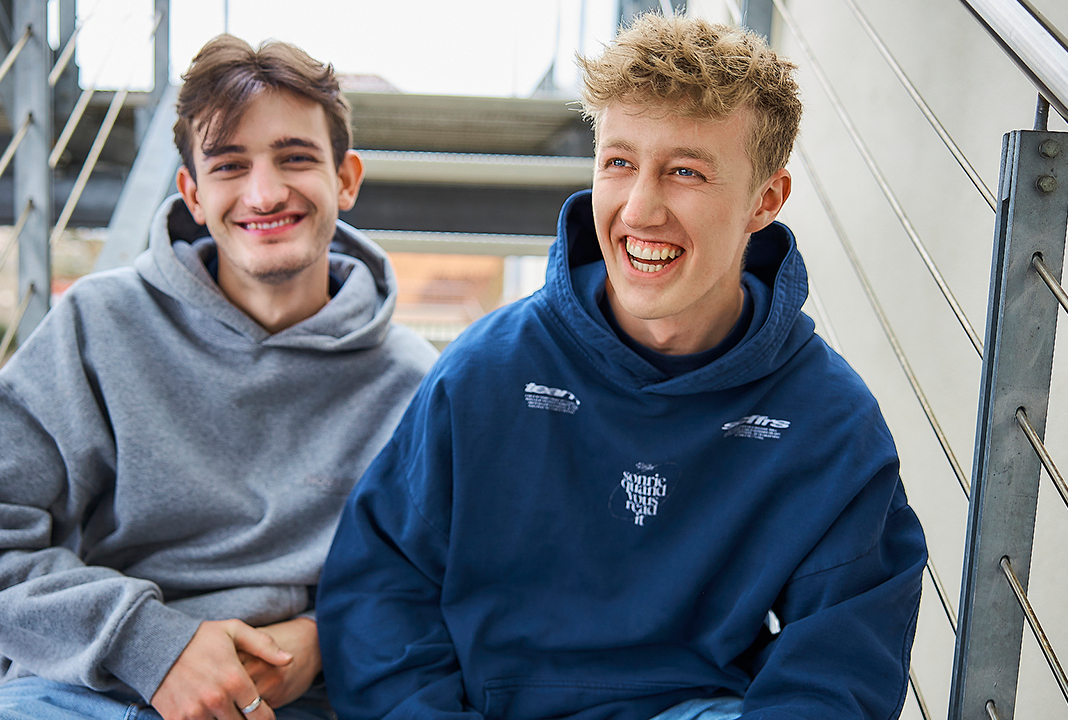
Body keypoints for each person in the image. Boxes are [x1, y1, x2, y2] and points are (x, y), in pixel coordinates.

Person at [316, 13, 928, 720]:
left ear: (766, 200)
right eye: (619, 163)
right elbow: (381, 596)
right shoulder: (485, 374)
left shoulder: (827, 420)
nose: (641, 209)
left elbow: (840, 666)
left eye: (686, 171)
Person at [0, 35, 436, 720]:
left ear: (346, 177)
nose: (265, 192)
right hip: (79, 692)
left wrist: (324, 638)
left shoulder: (416, 380)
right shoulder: (99, 325)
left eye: (296, 158)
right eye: (229, 165)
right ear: (191, 192)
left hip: (291, 704)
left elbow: (442, 582)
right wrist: (149, 645)